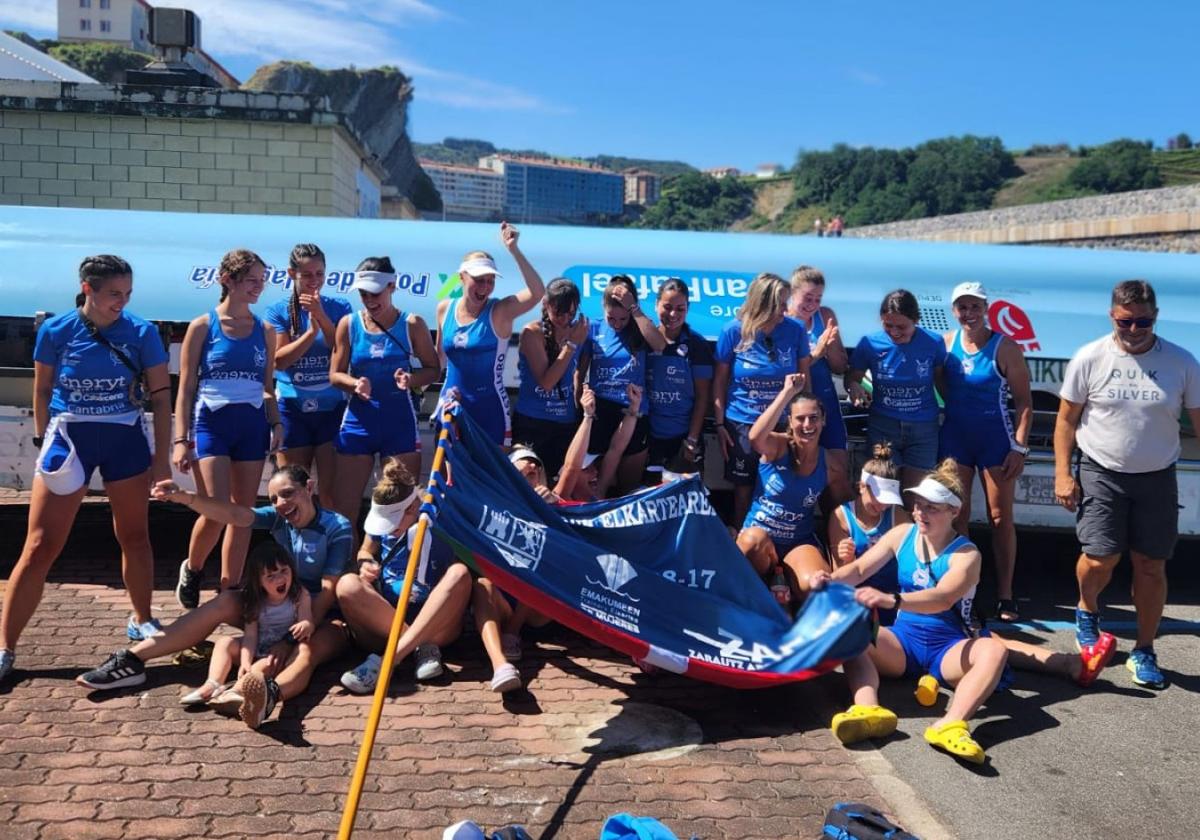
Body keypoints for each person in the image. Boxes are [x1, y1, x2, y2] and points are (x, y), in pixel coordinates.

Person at [0, 255, 172, 684]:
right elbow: (42, 389)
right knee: (40, 546)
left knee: (134, 535)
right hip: (69, 437)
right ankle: (5, 647)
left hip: (124, 438)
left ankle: (142, 618)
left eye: (128, 294)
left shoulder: (142, 332)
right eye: (114, 293)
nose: (123, 302)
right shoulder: (56, 330)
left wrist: (162, 458)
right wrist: (44, 442)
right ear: (88, 288)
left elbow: (162, 399)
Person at [78, 465, 352, 729]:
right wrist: (185, 498)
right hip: (277, 607)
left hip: (322, 618)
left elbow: (328, 592)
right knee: (225, 601)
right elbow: (234, 514)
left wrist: (288, 640)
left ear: (309, 487)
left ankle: (267, 698)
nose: (280, 503)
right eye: (273, 498)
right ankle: (132, 660)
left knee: (306, 652)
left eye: (288, 493)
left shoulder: (337, 526)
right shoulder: (279, 518)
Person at [1054, 279, 1200, 690]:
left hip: (1156, 476)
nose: (1134, 330)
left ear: (1155, 318)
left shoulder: (1182, 362)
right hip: (1103, 470)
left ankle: (1145, 648)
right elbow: (1066, 420)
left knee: (1151, 565)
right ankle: (1087, 609)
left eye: (1144, 322)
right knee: (1100, 557)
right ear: (1112, 315)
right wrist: (1063, 473)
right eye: (1126, 322)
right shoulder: (1090, 357)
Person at [812, 461, 1008, 764]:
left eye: (931, 508)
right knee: (850, 626)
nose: (920, 513)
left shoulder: (967, 554)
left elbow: (943, 598)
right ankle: (869, 709)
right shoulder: (903, 533)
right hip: (903, 642)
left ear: (954, 512)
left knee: (994, 650)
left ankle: (951, 725)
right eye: (917, 505)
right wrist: (828, 579)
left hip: (949, 647)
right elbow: (861, 569)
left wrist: (892, 600)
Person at [173, 249, 282, 610]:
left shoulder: (266, 331)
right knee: (216, 509)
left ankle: (229, 590)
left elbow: (268, 384)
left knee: (243, 512)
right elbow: (186, 387)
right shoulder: (203, 326)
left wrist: (276, 421)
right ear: (227, 281)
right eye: (251, 280)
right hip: (212, 423)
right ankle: (193, 567)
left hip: (251, 424)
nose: (258, 287)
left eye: (261, 281)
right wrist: (179, 439)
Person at [938, 282, 1033, 622]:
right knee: (957, 516)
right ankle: (966, 589)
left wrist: (1019, 447)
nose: (969, 314)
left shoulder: (1004, 347)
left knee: (999, 518)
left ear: (986, 308)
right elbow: (943, 386)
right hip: (956, 438)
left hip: (994, 439)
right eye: (962, 307)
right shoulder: (946, 345)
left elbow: (1024, 403)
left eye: (975, 306)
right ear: (954, 311)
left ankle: (1006, 594)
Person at [336, 459, 473, 694]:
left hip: (438, 625)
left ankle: (388, 661)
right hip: (388, 621)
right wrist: (365, 563)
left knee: (460, 574)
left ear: (412, 509)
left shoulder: (443, 517)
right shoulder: (385, 518)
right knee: (347, 585)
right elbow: (365, 550)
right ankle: (418, 646)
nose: (387, 530)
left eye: (392, 524)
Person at [329, 257, 439, 544]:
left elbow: (433, 368)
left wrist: (411, 380)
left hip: (398, 422)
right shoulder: (349, 324)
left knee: (402, 506)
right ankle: (347, 572)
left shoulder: (412, 323)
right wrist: (355, 383)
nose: (369, 300)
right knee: (345, 510)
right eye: (364, 294)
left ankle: (390, 573)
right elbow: (335, 374)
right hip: (358, 423)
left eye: (375, 293)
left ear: (392, 286)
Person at [714, 272, 812, 528]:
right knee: (743, 488)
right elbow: (720, 381)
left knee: (780, 486)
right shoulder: (733, 332)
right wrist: (719, 424)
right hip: (742, 422)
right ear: (762, 304)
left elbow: (805, 380)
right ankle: (741, 543)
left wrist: (805, 423)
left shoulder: (795, 330)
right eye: (780, 304)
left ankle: (778, 540)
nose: (785, 309)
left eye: (786, 302)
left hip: (782, 424)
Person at [437, 221, 546, 449]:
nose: (485, 287)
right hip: (451, 404)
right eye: (479, 280)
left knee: (491, 481)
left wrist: (513, 249)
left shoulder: (500, 312)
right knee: (448, 480)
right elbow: (439, 361)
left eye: (490, 281)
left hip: (490, 411)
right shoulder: (445, 309)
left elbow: (537, 293)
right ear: (462, 277)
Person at [736, 375, 842, 602]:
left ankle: (784, 587)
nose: (807, 425)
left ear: (823, 420)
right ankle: (767, 589)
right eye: (800, 419)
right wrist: (786, 393)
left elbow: (840, 512)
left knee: (816, 587)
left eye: (814, 418)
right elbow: (755, 437)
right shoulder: (777, 446)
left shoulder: (831, 463)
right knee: (751, 542)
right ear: (790, 422)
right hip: (760, 540)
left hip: (798, 542)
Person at [178, 542, 313, 716]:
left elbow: (308, 621)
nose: (280, 579)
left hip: (281, 654)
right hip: (259, 646)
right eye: (270, 576)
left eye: (284, 571)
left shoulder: (300, 594)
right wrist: (245, 663)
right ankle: (213, 684)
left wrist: (306, 625)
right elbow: (250, 636)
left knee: (264, 664)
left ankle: (236, 692)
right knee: (224, 643)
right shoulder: (255, 600)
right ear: (259, 581)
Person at [264, 243, 353, 497]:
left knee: (331, 494)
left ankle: (331, 537)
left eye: (320, 274)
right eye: (307, 275)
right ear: (292, 274)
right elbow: (279, 361)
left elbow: (342, 349)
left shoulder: (340, 307)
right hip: (292, 409)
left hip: (332, 409)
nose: (315, 280)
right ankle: (295, 538)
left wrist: (321, 316)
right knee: (292, 493)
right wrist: (310, 333)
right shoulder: (278, 310)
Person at [847, 289, 946, 494]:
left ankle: (909, 527)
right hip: (884, 427)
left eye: (902, 326)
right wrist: (854, 386)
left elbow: (941, 381)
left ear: (916, 320)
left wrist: (956, 410)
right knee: (883, 494)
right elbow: (853, 376)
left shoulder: (934, 342)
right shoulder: (869, 343)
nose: (894, 332)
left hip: (923, 429)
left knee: (915, 497)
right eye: (888, 325)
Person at [576, 275, 667, 493]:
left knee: (628, 485)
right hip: (600, 410)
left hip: (634, 410)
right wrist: (578, 403)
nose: (617, 325)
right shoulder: (594, 328)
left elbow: (660, 344)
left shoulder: (640, 327)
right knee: (594, 483)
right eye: (611, 319)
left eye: (622, 319)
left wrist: (634, 310)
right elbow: (579, 372)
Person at [512, 278, 589, 481]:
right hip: (532, 422)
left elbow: (581, 374)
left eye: (570, 313)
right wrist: (571, 344)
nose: (565, 319)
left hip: (565, 422)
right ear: (546, 304)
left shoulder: (579, 332)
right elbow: (546, 382)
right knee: (531, 480)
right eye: (559, 313)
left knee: (561, 482)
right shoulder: (532, 332)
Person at [787, 265, 851, 505]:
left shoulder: (824, 316)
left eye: (817, 298)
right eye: (807, 298)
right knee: (800, 471)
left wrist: (831, 347)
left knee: (837, 472)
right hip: (797, 408)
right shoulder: (783, 320)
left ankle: (836, 534)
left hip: (826, 405)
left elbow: (839, 366)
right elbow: (786, 368)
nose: (811, 304)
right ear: (793, 294)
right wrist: (816, 352)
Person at [827, 443, 910, 625]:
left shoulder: (898, 515)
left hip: (891, 598)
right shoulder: (841, 516)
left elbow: (912, 564)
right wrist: (845, 559)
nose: (882, 506)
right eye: (878, 499)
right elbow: (839, 574)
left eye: (887, 500)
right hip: (858, 599)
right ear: (862, 486)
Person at [646, 278, 713, 484]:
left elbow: (702, 398)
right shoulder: (644, 340)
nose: (673, 314)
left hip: (683, 438)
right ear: (656, 305)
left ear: (688, 309)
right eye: (667, 307)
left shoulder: (697, 345)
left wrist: (691, 439)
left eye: (680, 309)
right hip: (648, 437)